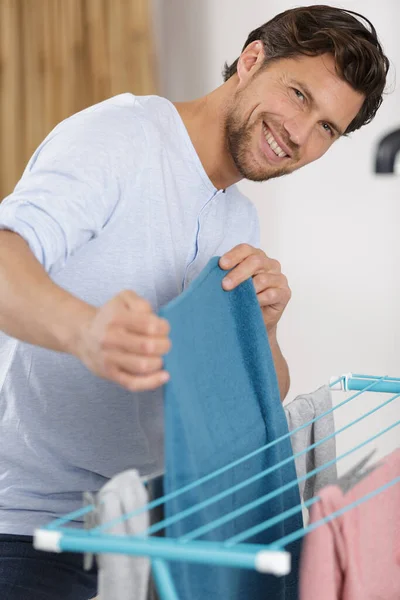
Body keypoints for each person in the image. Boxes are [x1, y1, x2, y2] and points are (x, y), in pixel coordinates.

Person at [0, 4, 389, 599]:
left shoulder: (239, 217)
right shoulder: (120, 139)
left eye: (328, 129)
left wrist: (265, 329)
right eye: (299, 96)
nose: (301, 136)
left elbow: (258, 396)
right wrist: (84, 332)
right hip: (32, 534)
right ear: (252, 59)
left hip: (152, 529)